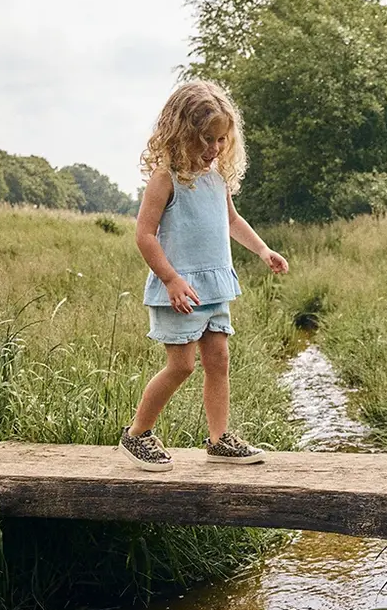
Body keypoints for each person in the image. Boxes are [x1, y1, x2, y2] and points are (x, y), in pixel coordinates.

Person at [120, 80, 289, 471]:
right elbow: (144, 235)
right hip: (180, 290)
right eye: (206, 140)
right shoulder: (166, 179)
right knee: (181, 366)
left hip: (214, 287)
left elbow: (232, 221)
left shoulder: (216, 179)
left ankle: (219, 440)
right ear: (181, 135)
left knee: (219, 361)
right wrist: (171, 279)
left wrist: (263, 249)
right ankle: (136, 434)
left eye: (220, 140)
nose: (214, 149)